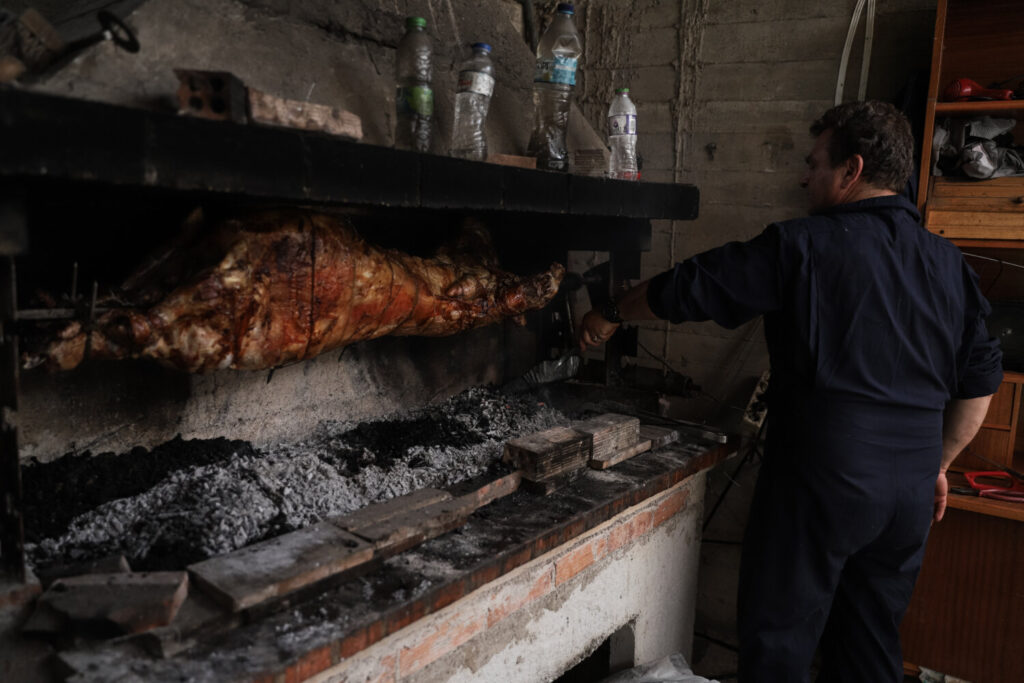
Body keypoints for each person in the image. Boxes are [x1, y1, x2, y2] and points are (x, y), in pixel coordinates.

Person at [578, 100, 1002, 681]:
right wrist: (939, 463)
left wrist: (610, 311)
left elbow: (696, 285)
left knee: (780, 645)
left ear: (851, 170)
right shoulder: (949, 263)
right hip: (908, 493)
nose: (804, 176)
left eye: (814, 163)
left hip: (823, 482)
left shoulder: (805, 245)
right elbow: (981, 381)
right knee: (871, 644)